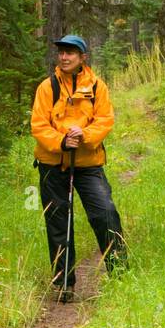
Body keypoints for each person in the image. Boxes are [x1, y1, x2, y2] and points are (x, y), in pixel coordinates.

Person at [30, 34, 126, 303]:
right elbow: (38, 125)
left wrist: (83, 135)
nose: (64, 56)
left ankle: (121, 276)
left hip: (88, 164)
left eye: (71, 52)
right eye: (61, 52)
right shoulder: (47, 88)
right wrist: (62, 141)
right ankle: (63, 284)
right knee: (59, 223)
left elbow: (105, 120)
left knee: (105, 214)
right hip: (52, 164)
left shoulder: (97, 87)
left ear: (83, 57)